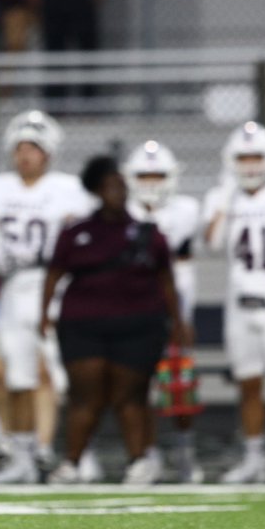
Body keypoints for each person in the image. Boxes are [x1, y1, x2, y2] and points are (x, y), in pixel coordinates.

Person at [40, 156, 182, 483]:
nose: (117, 191)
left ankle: (137, 462)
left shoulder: (147, 233)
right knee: (85, 397)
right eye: (110, 185)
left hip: (137, 324)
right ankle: (72, 463)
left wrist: (177, 321)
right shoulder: (77, 232)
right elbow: (54, 275)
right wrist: (44, 314)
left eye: (121, 185)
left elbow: (166, 279)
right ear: (96, 190)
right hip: (84, 325)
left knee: (129, 396)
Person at [0, 110, 92, 483]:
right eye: (20, 147)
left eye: (34, 148)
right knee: (17, 377)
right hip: (12, 288)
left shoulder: (69, 189)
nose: (26, 155)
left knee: (64, 374)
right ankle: (23, 458)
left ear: (49, 152)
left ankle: (77, 453)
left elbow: (78, 243)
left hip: (55, 288)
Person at [203, 122, 265, 484]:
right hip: (238, 302)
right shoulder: (223, 197)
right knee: (247, 383)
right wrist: (227, 200)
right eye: (242, 157)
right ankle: (254, 457)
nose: (249, 164)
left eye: (256, 156)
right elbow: (213, 242)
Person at [122, 141, 201, 484]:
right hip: (135, 308)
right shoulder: (123, 213)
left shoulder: (185, 210)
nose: (151, 182)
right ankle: (148, 454)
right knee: (138, 387)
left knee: (179, 390)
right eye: (144, 175)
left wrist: (183, 317)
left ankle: (184, 450)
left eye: (158, 174)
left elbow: (181, 269)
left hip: (174, 311)